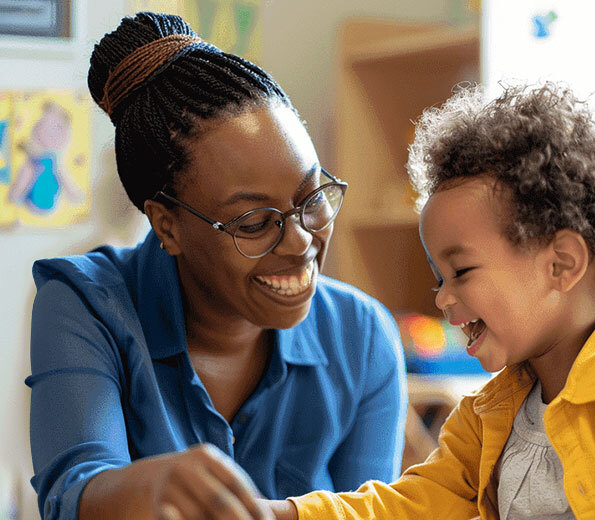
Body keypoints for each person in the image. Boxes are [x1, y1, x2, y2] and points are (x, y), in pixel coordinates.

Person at [268, 83, 595, 519]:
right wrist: (283, 514)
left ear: (561, 265)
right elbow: (412, 505)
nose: (443, 297)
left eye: (461, 272)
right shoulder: (487, 417)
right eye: (439, 278)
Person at [25, 12, 407, 520]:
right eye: (252, 222)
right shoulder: (84, 304)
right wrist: (145, 489)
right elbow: (71, 493)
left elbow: (370, 511)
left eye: (312, 197)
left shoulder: (361, 337)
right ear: (167, 226)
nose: (299, 242)